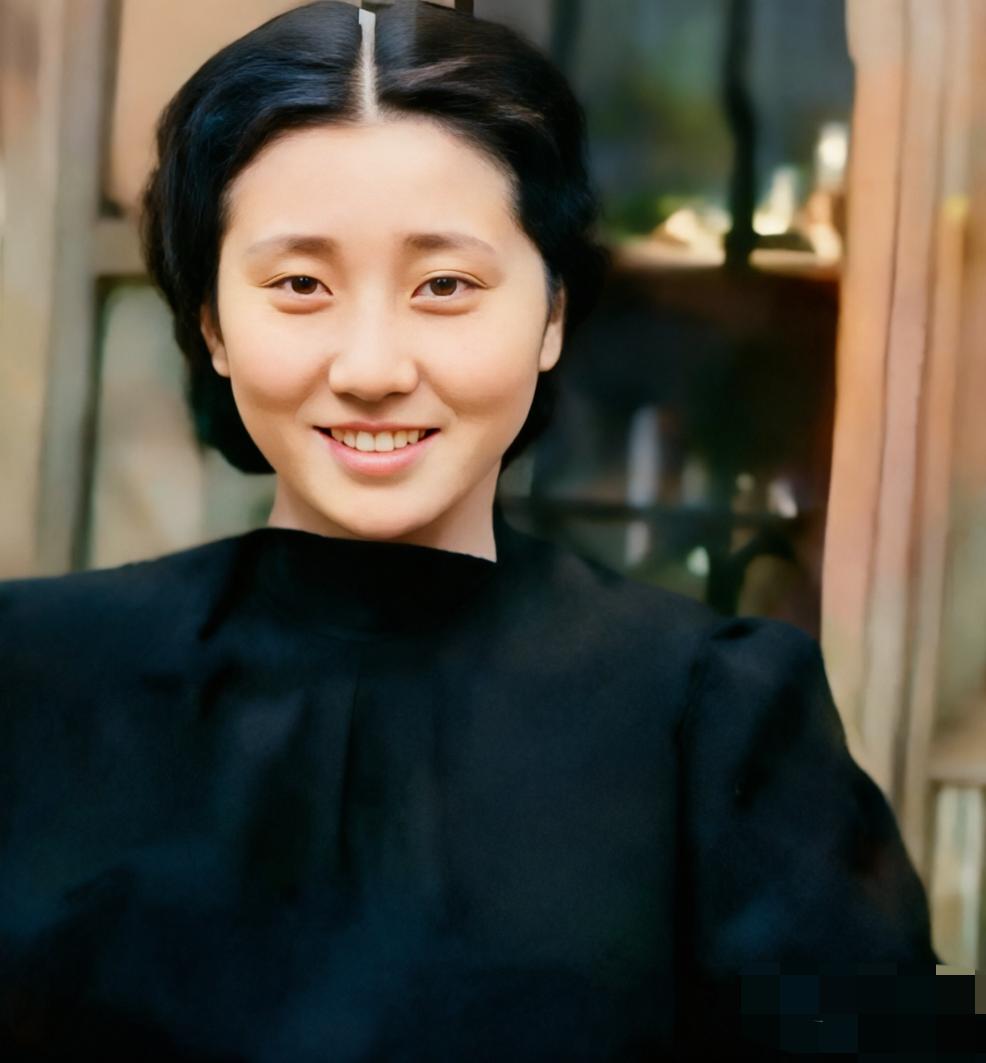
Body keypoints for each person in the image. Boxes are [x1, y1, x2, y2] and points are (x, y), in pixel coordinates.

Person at [0, 2, 939, 1059]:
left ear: (551, 316)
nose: (370, 367)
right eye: (300, 284)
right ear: (213, 322)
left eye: (443, 285)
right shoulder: (31, 673)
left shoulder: (720, 720)